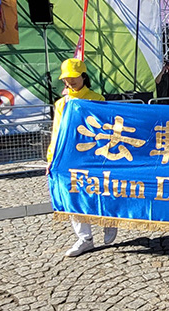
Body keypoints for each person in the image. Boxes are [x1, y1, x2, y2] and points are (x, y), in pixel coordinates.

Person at [46, 58, 116, 257]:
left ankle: (109, 221)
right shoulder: (61, 103)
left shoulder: (96, 98)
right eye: (66, 78)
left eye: (74, 77)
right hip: (70, 156)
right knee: (73, 195)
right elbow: (57, 132)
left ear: (84, 76)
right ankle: (85, 238)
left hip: (95, 154)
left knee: (101, 189)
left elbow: (106, 127)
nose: (70, 81)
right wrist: (51, 158)